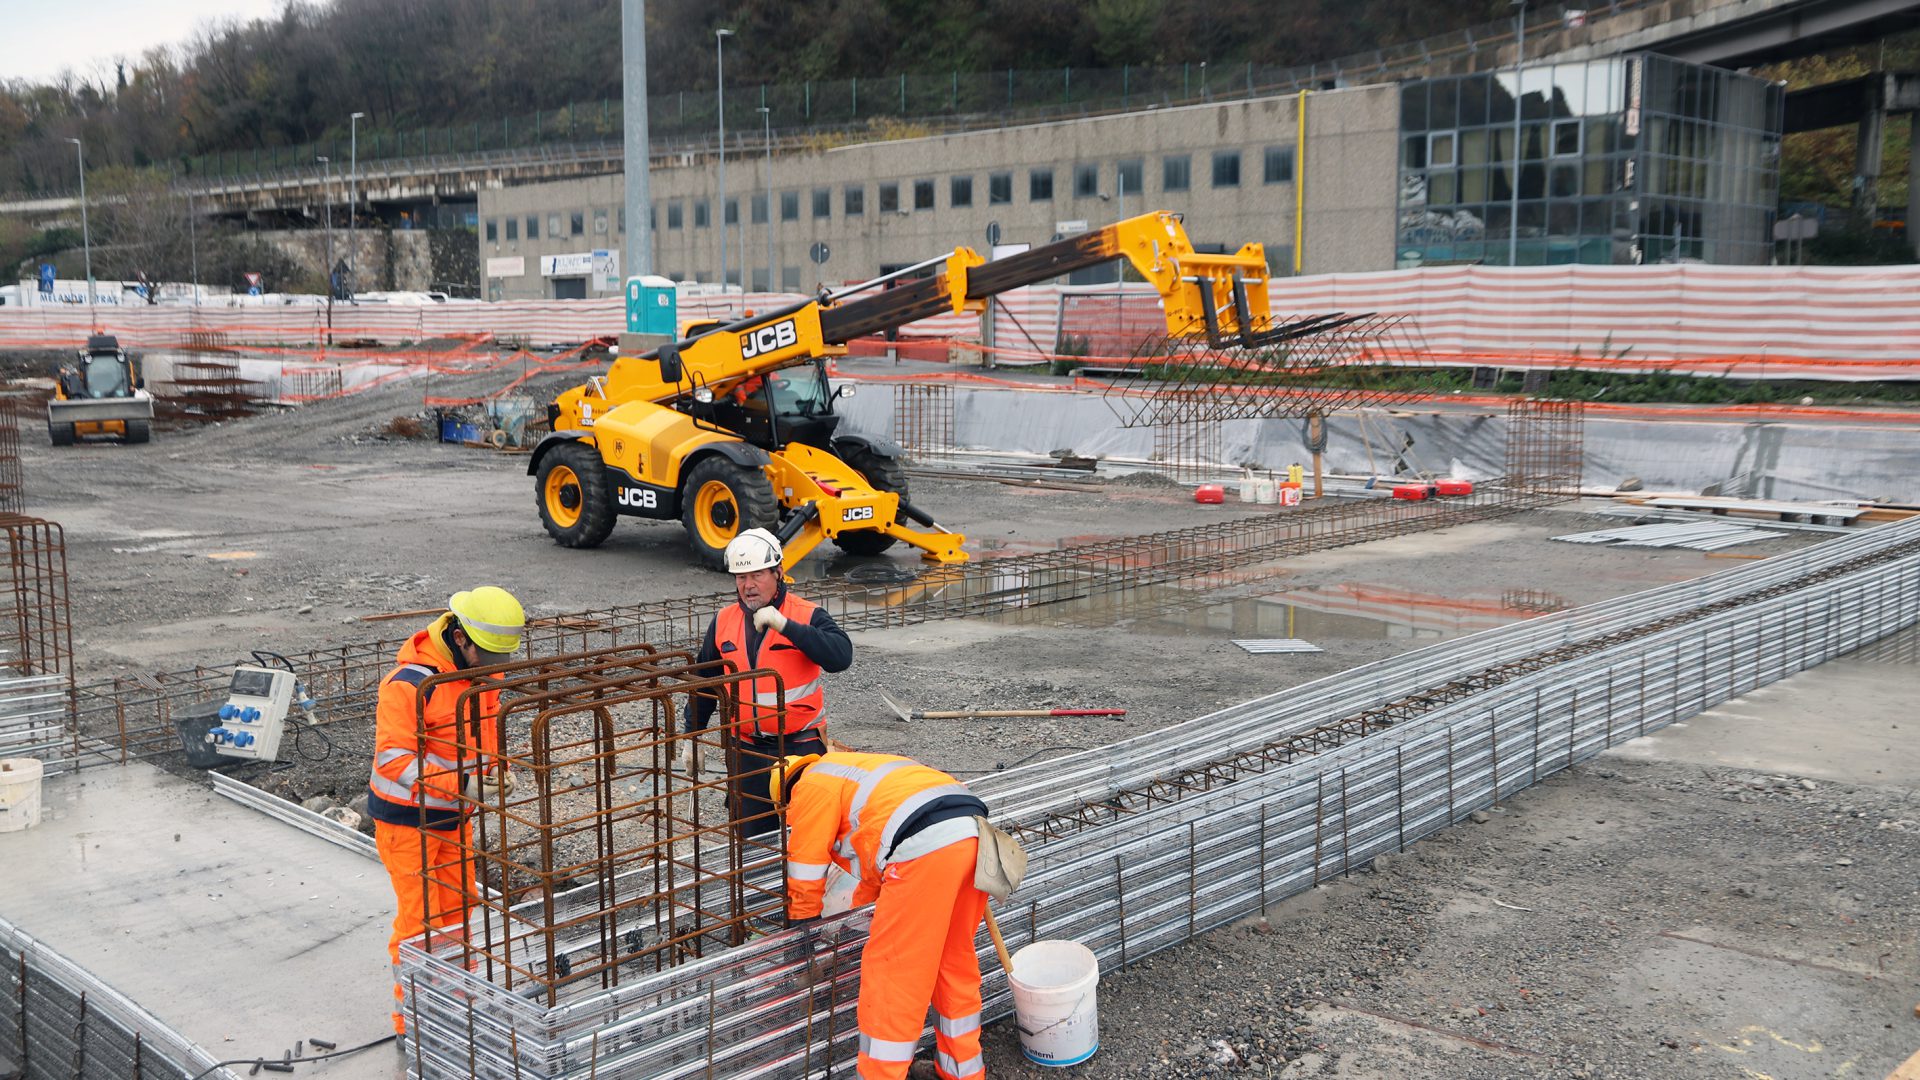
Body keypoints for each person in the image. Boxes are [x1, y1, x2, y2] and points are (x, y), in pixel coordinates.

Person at [772, 752, 991, 1080]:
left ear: (785, 799)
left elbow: (805, 866)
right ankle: (963, 1072)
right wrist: (853, 926)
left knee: (894, 975)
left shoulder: (810, 787)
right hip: (973, 835)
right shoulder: (854, 772)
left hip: (924, 845)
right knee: (953, 961)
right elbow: (878, 873)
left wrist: (802, 927)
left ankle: (880, 1074)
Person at [366, 586, 526, 1036]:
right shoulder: (409, 684)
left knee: (457, 912)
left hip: (453, 818)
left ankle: (454, 1004)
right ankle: (412, 1025)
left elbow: (486, 732)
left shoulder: (480, 673)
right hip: (406, 822)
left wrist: (499, 770)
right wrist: (463, 784)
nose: (497, 667)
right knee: (421, 925)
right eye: (490, 655)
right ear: (460, 639)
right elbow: (392, 760)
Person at [685, 527, 852, 837]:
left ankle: (803, 887)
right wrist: (691, 736)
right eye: (740, 577)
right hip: (747, 751)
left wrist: (785, 625)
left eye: (757, 575)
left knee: (808, 838)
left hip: (800, 747)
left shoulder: (807, 615)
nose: (748, 586)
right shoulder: (723, 622)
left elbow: (841, 657)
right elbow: (704, 682)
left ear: (778, 572)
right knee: (751, 845)